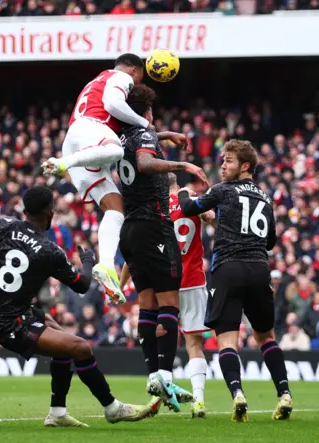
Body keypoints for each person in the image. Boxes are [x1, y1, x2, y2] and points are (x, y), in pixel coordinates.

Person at [0, 174, 152, 426]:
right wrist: (88, 261)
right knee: (81, 347)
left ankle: (57, 413)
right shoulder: (49, 251)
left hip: (1, 310)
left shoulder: (3, 225)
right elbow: (82, 284)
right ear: (49, 213)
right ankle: (112, 408)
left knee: (60, 338)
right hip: (10, 322)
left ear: (24, 210)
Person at [41, 53, 185, 306]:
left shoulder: (96, 81)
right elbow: (112, 105)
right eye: (140, 77)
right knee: (116, 150)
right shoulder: (119, 76)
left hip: (82, 144)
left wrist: (161, 134)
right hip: (89, 132)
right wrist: (145, 123)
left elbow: (128, 132)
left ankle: (105, 266)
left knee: (116, 208)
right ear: (133, 70)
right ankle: (62, 164)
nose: (138, 85)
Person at [177, 139, 293, 423]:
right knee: (266, 337)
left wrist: (182, 191)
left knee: (227, 340)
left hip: (228, 268)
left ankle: (238, 395)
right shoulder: (265, 197)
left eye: (228, 160)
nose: (222, 165)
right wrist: (220, 223)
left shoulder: (223, 190)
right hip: (258, 270)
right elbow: (270, 241)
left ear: (245, 166)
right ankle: (285, 394)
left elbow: (189, 207)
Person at [114, 84, 207, 414]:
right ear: (147, 113)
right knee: (170, 303)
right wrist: (183, 166)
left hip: (131, 228)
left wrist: (165, 135)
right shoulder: (143, 135)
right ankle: (165, 377)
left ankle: (154, 373)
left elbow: (138, 149)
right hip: (154, 224)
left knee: (147, 304)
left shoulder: (119, 134)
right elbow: (144, 162)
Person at [168, 172, 214, 418]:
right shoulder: (193, 202)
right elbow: (214, 221)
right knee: (194, 344)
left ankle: (160, 394)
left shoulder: (156, 207)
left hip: (166, 281)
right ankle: (198, 400)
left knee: (161, 339)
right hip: (193, 280)